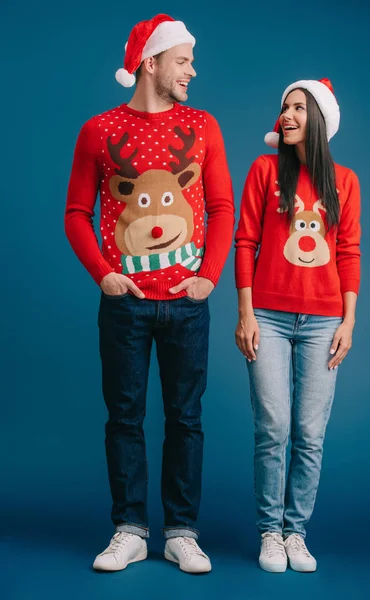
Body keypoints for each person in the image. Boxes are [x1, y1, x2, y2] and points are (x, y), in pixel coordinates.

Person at [65, 13, 234, 574]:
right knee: (125, 417)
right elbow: (76, 214)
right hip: (125, 305)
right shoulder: (99, 130)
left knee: (186, 417)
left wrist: (209, 275)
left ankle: (182, 531)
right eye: (183, 60)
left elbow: (220, 208)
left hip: (187, 304)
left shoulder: (204, 126)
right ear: (151, 63)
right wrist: (102, 275)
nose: (192, 70)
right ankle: (130, 529)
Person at [234, 78, 361, 573]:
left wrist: (349, 320)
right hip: (266, 313)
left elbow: (348, 251)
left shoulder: (344, 182)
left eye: (297, 108)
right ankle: (270, 531)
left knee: (310, 433)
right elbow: (245, 242)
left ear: (320, 120)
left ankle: (295, 533)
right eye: (284, 107)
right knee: (274, 428)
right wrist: (244, 311)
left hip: (324, 321)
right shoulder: (265, 171)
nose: (286, 116)